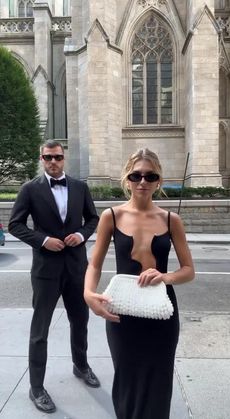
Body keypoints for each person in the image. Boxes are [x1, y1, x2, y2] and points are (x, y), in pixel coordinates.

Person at [84, 148, 195, 419]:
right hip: (123, 314)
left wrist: (164, 276)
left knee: (159, 381)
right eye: (136, 175)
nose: (142, 181)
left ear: (158, 181)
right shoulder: (112, 216)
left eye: (150, 176)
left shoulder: (171, 220)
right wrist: (88, 294)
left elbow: (189, 270)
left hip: (161, 314)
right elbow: (95, 264)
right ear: (127, 179)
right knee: (127, 380)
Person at [8, 140, 100, 414]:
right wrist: (43, 240)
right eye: (48, 157)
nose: (53, 161)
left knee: (80, 321)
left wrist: (82, 235)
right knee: (40, 331)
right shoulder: (30, 189)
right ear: (41, 158)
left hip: (76, 268)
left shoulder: (80, 187)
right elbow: (15, 224)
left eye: (58, 157)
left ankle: (81, 365)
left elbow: (93, 219)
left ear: (64, 158)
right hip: (46, 271)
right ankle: (36, 387)